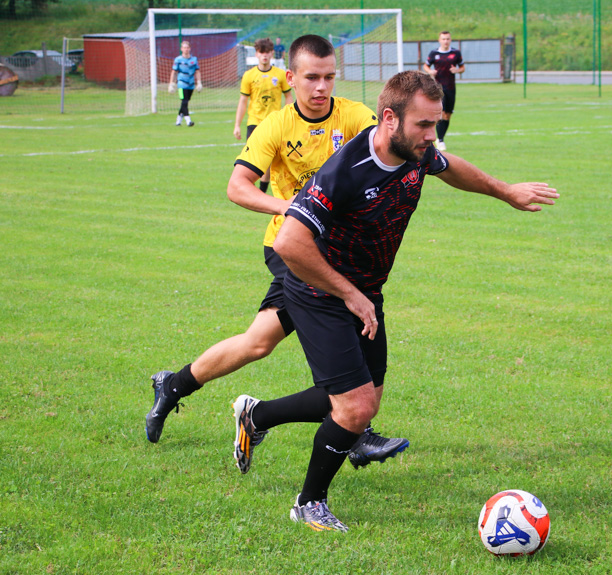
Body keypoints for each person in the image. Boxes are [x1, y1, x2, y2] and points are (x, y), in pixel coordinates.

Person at [232, 69, 558, 532]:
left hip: (364, 289)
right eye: (424, 125)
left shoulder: (417, 152)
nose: (433, 135)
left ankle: (257, 414)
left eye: (437, 123)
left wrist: (505, 192)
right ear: (389, 118)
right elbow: (289, 244)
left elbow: (452, 167)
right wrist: (349, 294)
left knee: (360, 399)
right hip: (318, 289)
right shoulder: (346, 170)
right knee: (355, 407)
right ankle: (308, 502)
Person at [146, 35, 407, 471]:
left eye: (328, 77)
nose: (321, 87)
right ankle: (355, 431)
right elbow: (237, 187)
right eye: (311, 78)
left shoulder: (356, 117)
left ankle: (173, 385)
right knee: (338, 323)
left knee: (257, 342)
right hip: (291, 246)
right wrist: (287, 206)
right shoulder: (276, 125)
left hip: (337, 250)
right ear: (292, 78)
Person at [234, 37, 292, 194]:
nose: (264, 56)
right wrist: (237, 125)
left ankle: (262, 191)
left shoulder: (280, 75)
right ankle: (256, 190)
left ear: (272, 53)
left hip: (274, 123)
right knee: (254, 159)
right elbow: (243, 101)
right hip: (254, 123)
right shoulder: (249, 75)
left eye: (267, 52)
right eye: (261, 52)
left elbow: (288, 97)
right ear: (257, 54)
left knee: (271, 160)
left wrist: (287, 117)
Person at [422, 31, 464, 151]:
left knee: (448, 115)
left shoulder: (455, 53)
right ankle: (440, 140)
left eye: (448, 39)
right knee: (441, 114)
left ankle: (440, 138)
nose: (446, 41)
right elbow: (426, 66)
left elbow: (462, 67)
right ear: (439, 40)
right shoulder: (434, 53)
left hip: (451, 88)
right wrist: (430, 72)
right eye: (443, 39)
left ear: (450, 40)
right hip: (438, 89)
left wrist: (457, 70)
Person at [169, 40, 202, 127]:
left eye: (187, 47)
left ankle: (178, 121)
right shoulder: (178, 60)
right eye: (184, 47)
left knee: (185, 102)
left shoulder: (194, 59)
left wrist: (199, 82)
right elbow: (174, 71)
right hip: (181, 84)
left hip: (191, 84)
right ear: (181, 49)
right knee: (184, 101)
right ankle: (188, 121)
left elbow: (197, 71)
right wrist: (171, 83)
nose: (186, 49)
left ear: (190, 49)